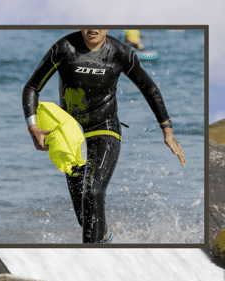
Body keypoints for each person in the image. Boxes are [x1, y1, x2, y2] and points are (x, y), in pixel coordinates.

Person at [23, 29, 186, 243]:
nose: (93, 28)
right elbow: (32, 87)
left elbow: (149, 88)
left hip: (105, 126)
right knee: (85, 217)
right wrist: (33, 127)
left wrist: (167, 129)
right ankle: (106, 235)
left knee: (93, 192)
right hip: (72, 134)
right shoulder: (64, 48)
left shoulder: (121, 53)